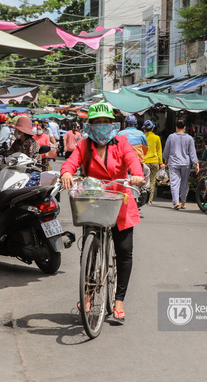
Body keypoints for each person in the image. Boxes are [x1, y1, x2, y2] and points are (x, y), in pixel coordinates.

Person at [60, 102, 145, 322]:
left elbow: (133, 162)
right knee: (90, 246)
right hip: (94, 201)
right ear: (90, 125)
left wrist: (137, 175)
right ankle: (88, 293)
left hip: (119, 200)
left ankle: (118, 301)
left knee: (124, 250)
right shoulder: (84, 145)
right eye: (96, 122)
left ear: (112, 124)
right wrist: (66, 173)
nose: (101, 126)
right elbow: (70, 163)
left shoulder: (122, 142)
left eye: (105, 122)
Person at [163, 119, 200, 210]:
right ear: (185, 128)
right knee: (184, 183)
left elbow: (166, 149)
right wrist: (197, 164)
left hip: (174, 162)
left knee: (174, 183)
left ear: (176, 127)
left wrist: (166, 159)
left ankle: (176, 202)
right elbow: (192, 153)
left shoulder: (171, 137)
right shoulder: (189, 138)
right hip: (185, 163)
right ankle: (183, 202)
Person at [143, 120, 164, 204]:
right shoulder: (157, 138)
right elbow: (159, 151)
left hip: (144, 162)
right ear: (152, 129)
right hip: (155, 162)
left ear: (144, 129)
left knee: (143, 180)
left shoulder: (142, 137)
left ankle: (143, 197)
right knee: (152, 181)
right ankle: (149, 199)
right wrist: (161, 162)